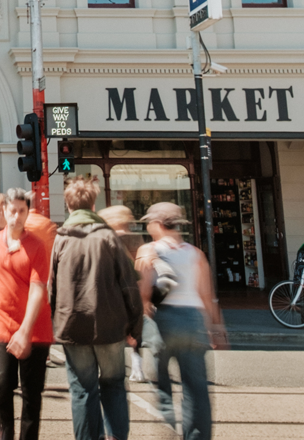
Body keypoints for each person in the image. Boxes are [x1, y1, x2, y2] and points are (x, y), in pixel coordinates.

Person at [50, 180, 143, 440]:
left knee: (81, 389)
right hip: (110, 325)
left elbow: (52, 288)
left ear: (68, 206)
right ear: (93, 204)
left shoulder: (61, 240)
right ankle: (116, 436)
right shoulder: (108, 236)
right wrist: (136, 327)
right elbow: (129, 285)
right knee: (113, 385)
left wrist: (55, 323)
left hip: (72, 325)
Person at [136, 203, 225, 440]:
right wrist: (216, 328)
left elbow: (144, 295)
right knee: (197, 389)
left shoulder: (149, 251)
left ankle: (168, 431)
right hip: (194, 320)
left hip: (164, 319)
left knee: (162, 384)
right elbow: (207, 295)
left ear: (156, 224)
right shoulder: (195, 253)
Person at [0, 187, 54, 440]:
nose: (18, 216)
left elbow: (37, 290)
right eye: (13, 210)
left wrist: (25, 331)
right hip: (2, 323)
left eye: (23, 211)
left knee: (32, 393)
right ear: (4, 210)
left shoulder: (37, 246)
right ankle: (6, 435)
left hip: (34, 327)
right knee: (0, 384)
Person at [99, 205, 148, 383]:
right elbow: (140, 262)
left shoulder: (105, 237)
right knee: (135, 330)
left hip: (111, 290)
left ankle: (111, 368)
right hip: (131, 286)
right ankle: (137, 367)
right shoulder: (133, 238)